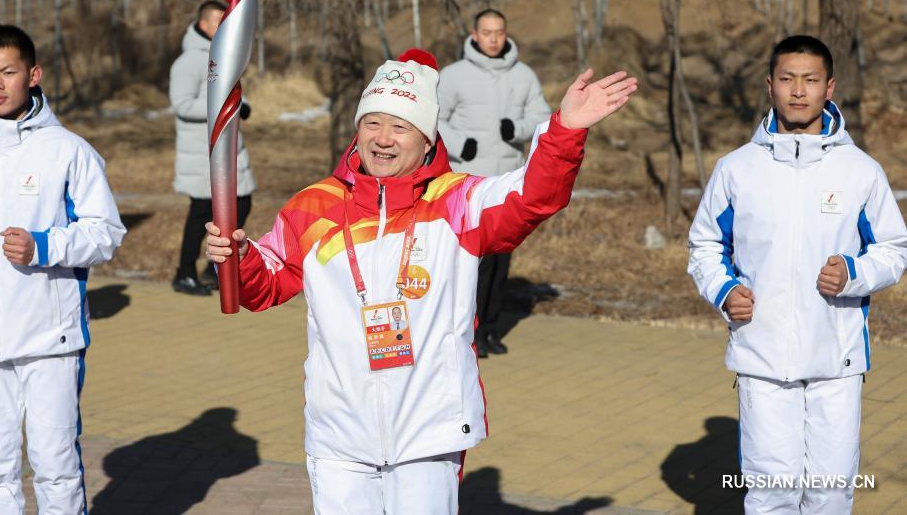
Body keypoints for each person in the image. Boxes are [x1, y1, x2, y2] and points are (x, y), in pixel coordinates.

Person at [205, 48, 636, 513]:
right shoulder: (315, 206)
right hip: (339, 432)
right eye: (373, 123)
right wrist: (239, 257)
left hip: (430, 429)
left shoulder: (458, 202)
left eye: (401, 126)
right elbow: (262, 285)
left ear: (428, 140)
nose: (383, 139)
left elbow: (533, 196)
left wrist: (565, 132)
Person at [688, 35, 907, 514]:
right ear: (770, 86)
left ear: (830, 87)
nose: (798, 91)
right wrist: (725, 291)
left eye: (810, 80)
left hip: (836, 358)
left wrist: (852, 273)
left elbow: (893, 248)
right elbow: (704, 245)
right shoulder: (737, 170)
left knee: (830, 489)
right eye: (787, 79)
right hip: (762, 357)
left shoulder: (860, 171)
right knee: (772, 491)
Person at [0, 25, 126, 514]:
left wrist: (45, 245)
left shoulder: (68, 151)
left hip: (48, 340)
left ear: (32, 75)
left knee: (55, 467)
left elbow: (106, 233)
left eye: (8, 72)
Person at [437, 9, 550, 357]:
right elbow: (433, 116)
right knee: (473, 261)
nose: (493, 38)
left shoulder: (524, 75)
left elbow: (543, 116)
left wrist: (516, 129)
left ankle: (489, 328)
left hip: (507, 182)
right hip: (468, 183)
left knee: (501, 260)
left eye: (499, 32)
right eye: (486, 32)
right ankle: (466, 333)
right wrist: (459, 144)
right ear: (474, 34)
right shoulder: (453, 76)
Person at [170, 0, 255, 296]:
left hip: (230, 149)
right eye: (220, 21)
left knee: (243, 203)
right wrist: (222, 108)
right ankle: (184, 273)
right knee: (201, 214)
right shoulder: (189, 61)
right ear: (205, 25)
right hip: (202, 154)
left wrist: (240, 106)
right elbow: (181, 104)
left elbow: (227, 95)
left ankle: (214, 268)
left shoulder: (225, 55)